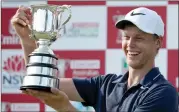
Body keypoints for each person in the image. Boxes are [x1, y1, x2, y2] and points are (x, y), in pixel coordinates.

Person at [11, 6, 178, 112]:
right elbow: (43, 82)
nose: (130, 44)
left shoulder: (163, 93)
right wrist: (27, 39)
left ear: (157, 43)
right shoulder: (106, 84)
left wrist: (64, 108)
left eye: (139, 38)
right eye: (126, 36)